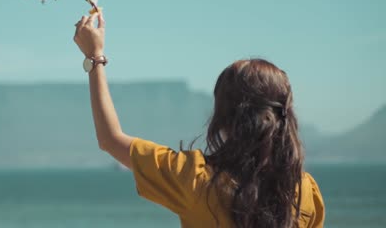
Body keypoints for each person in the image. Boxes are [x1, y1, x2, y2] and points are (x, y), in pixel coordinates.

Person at [73, 13, 325, 228]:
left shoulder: (194, 177)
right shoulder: (304, 192)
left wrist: (95, 57)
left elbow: (110, 139)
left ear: (224, 117)